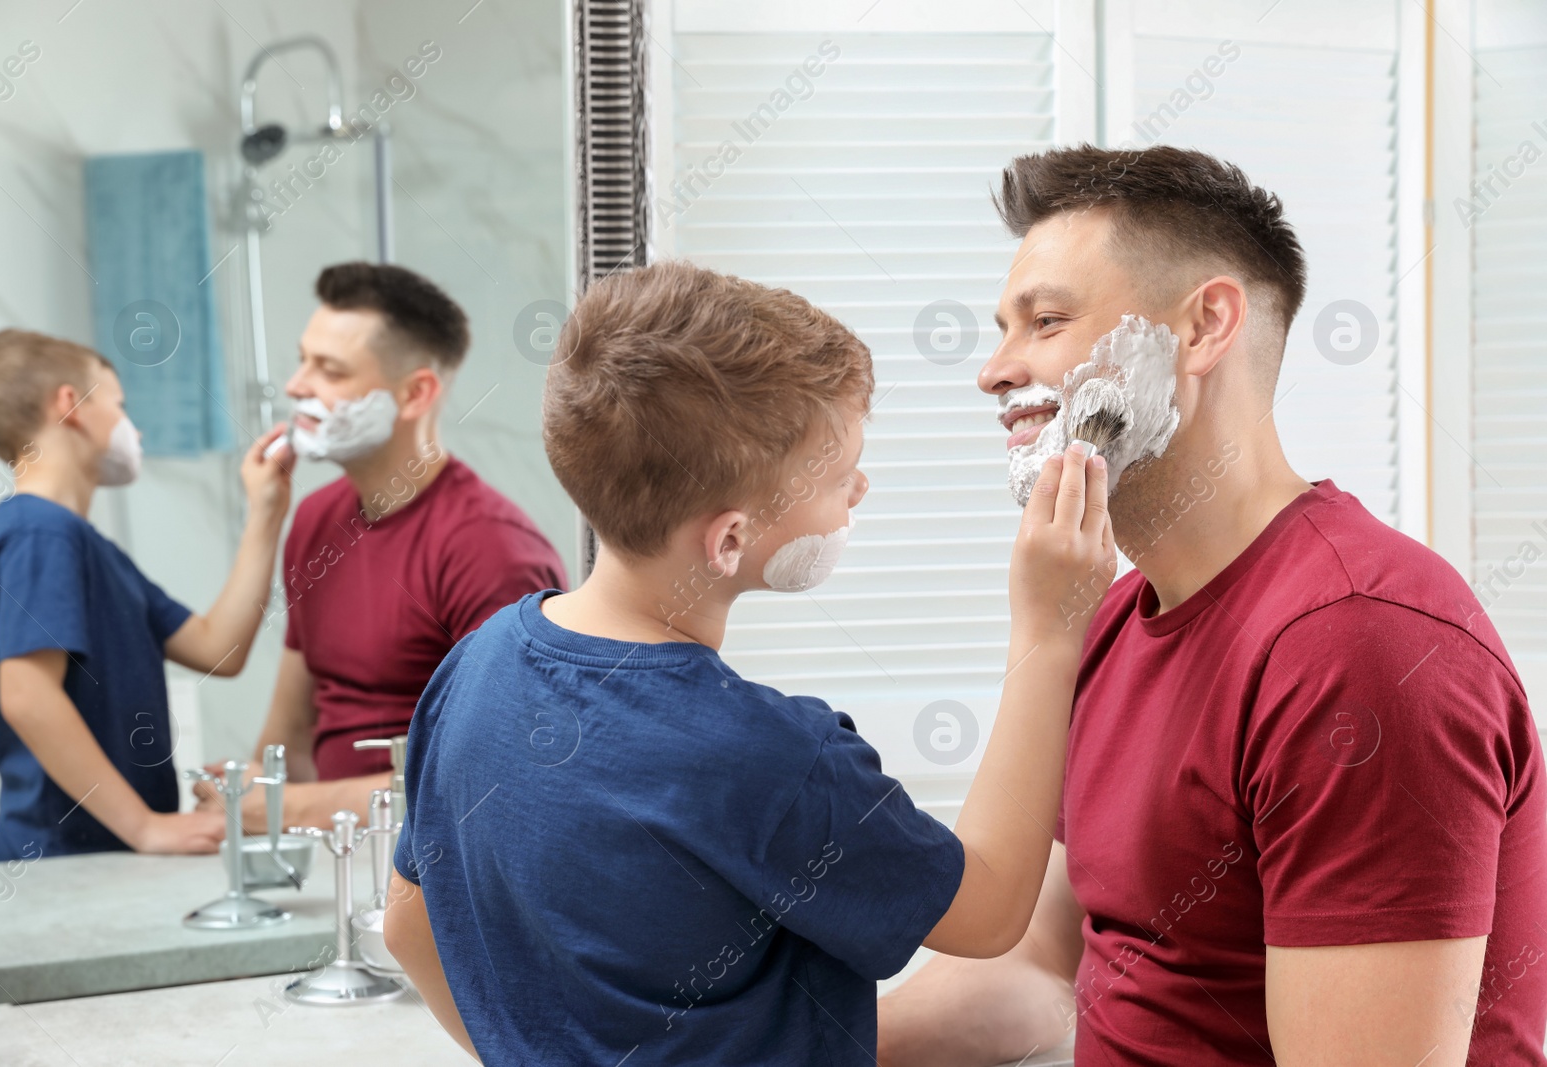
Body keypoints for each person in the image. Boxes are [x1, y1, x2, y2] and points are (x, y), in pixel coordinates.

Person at [877, 145, 1547, 1066]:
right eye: (1003, 329)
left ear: (1203, 328)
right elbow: (1042, 965)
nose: (994, 370)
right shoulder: (1113, 617)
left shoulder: (1359, 644)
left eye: (1045, 322)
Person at [381, 261, 1116, 1065]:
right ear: (729, 540)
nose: (859, 489)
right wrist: (1048, 627)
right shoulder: (766, 755)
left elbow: (408, 923)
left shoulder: (472, 668)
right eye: (839, 477)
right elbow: (988, 909)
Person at [196, 262, 565, 831]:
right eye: (303, 359)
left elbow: (499, 774)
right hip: (334, 850)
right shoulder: (317, 519)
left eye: (330, 370)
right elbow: (290, 733)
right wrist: (247, 802)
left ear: (416, 394)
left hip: (427, 873)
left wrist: (276, 808)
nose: (296, 385)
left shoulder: (490, 550)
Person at [0, 330, 291, 861]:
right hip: (58, 860)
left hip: (99, 855)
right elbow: (26, 696)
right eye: (120, 405)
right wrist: (145, 827)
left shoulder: (87, 548)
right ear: (71, 405)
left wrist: (266, 513)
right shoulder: (38, 531)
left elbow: (216, 650)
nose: (134, 427)